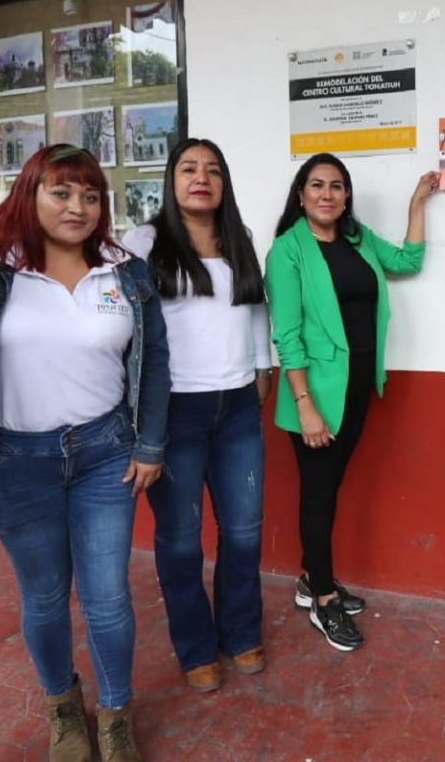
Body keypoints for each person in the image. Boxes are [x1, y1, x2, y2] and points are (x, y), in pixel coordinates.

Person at [0, 144, 170, 762]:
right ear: (29, 195)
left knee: (108, 597)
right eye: (61, 192)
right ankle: (63, 708)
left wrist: (150, 443)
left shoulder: (125, 271)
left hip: (105, 454)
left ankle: (115, 717)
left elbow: (155, 361)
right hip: (15, 463)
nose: (77, 206)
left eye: (90, 195)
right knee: (46, 596)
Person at [265, 153, 438, 652]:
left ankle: (311, 578)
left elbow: (407, 261)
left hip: (358, 389)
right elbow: (288, 336)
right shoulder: (287, 252)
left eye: (337, 186)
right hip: (315, 399)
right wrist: (305, 404)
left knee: (330, 488)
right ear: (301, 195)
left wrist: (417, 204)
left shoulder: (358, 240)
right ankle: (322, 599)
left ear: (346, 197)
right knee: (319, 495)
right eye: (317, 185)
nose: (327, 194)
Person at [120, 139, 272, 694]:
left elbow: (254, 309)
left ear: (224, 182)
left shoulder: (240, 237)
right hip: (174, 410)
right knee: (182, 538)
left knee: (244, 531)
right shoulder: (144, 242)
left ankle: (241, 631)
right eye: (188, 168)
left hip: (237, 407)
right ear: (171, 179)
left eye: (212, 170)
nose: (200, 178)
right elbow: (128, 326)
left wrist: (262, 368)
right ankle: (195, 646)